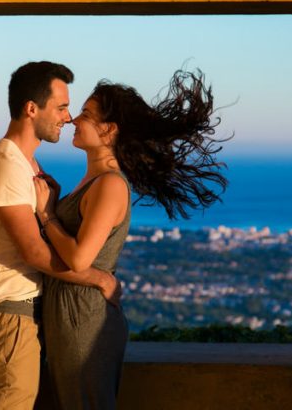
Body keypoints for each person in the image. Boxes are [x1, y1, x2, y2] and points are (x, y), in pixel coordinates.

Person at [34, 69, 227, 410]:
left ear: (109, 130)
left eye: (87, 115)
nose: (75, 119)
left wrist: (48, 215)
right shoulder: (91, 180)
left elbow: (79, 260)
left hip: (84, 319)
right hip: (70, 313)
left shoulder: (109, 184)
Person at [0, 61, 120, 410]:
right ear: (31, 109)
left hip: (23, 318)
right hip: (8, 318)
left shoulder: (25, 164)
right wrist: (98, 279)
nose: (67, 118)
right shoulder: (6, 163)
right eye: (61, 107)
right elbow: (34, 251)